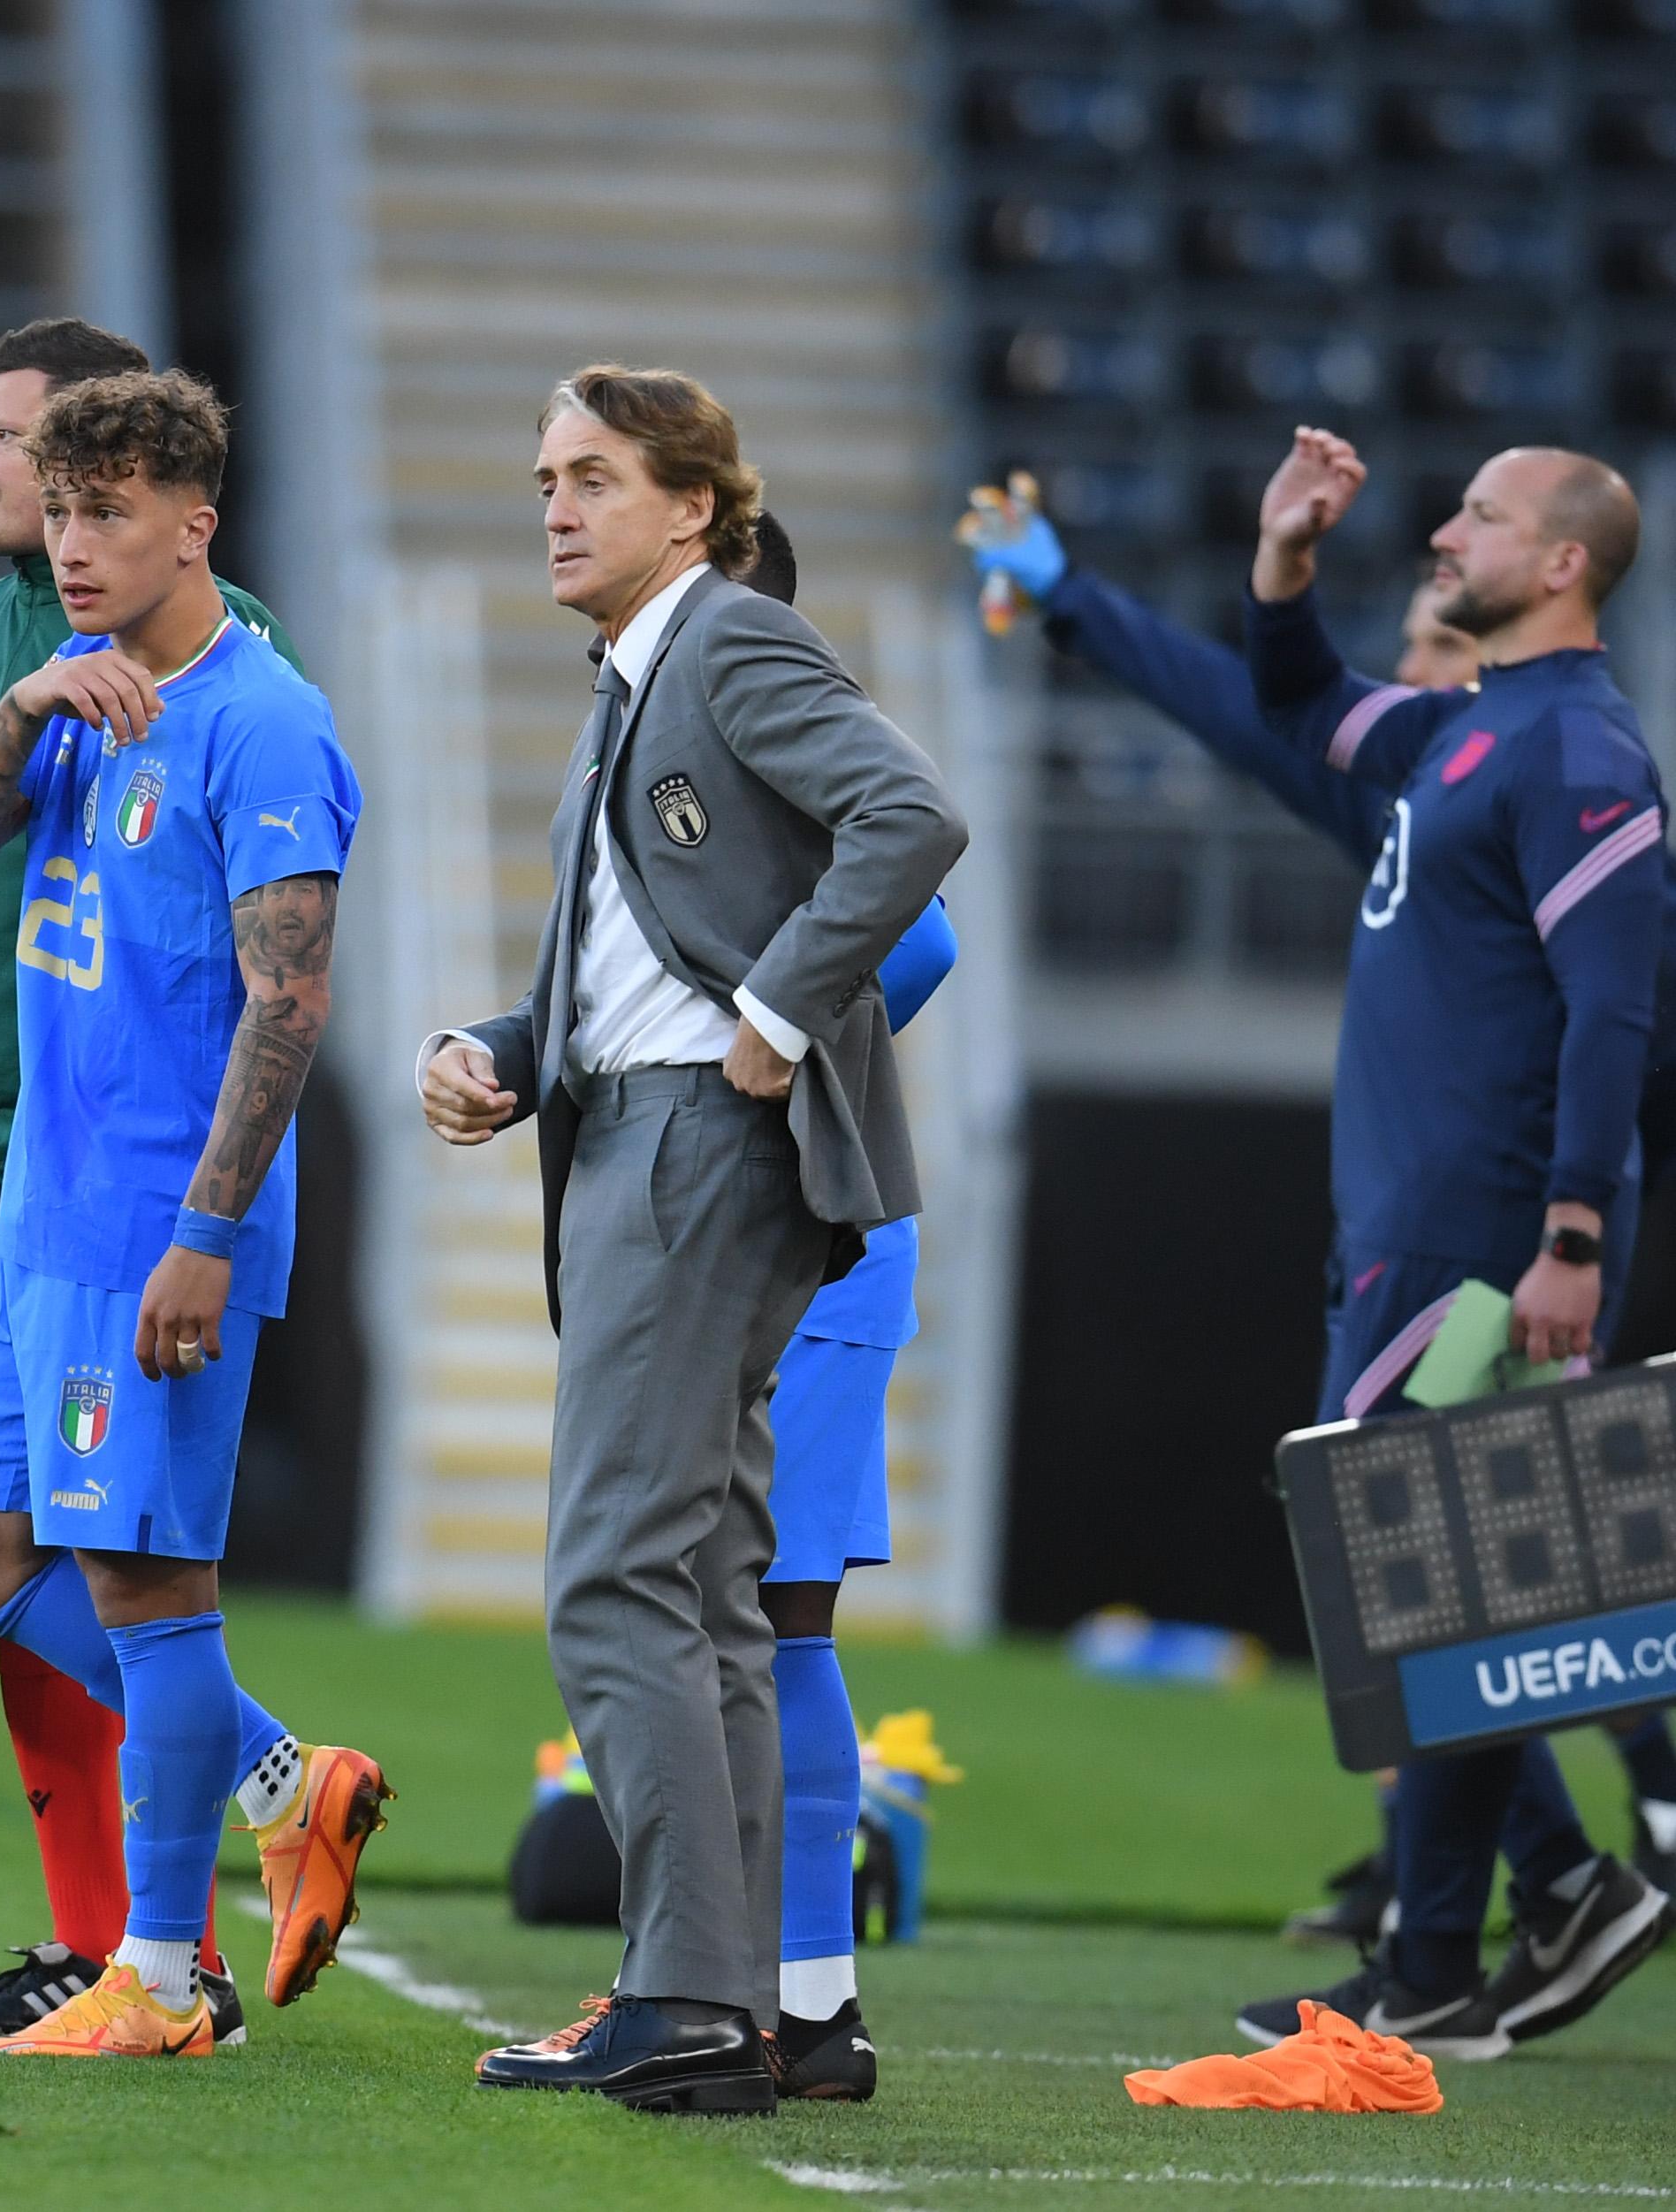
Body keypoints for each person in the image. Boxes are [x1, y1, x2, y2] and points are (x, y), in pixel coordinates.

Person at [963, 516, 1676, 1949]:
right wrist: (1075, 601)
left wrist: (1587, 1218)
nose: (1408, 681)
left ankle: (1572, 1848)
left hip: (1513, 1225)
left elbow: (1659, 1041)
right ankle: (1497, 1867)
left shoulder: (1575, 792)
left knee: (1428, 1556)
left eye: (1438, 654)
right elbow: (1241, 704)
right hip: (1446, 1211)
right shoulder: (1410, 785)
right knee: (1444, 1560)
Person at [424, 367, 964, 2114]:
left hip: (694, 1149)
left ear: (692, 508)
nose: (557, 506)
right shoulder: (636, 677)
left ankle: (683, 1992)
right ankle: (731, 2005)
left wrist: (787, 1014)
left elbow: (914, 821)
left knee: (613, 1573)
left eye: (592, 476)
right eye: (544, 479)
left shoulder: (725, 644)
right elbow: (634, 954)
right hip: (645, 1132)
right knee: (709, 1584)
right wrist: (506, 1055)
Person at [0, 369, 385, 2060]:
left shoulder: (262, 724)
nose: (76, 542)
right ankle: (279, 1775)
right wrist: (24, 702)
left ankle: (163, 1980)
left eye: (110, 513)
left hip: (150, 1229)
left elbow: (291, 1002)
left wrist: (203, 1231)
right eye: (62, 510)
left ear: (199, 525)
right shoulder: (79, 700)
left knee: (142, 1582)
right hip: (41, 1212)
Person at [1226, 429, 1676, 2059]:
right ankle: (1541, 1893)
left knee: (1417, 1583)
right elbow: (1296, 704)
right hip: (1407, 1222)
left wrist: (1569, 1230)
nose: (1442, 533)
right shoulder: (1469, 728)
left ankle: (1442, 1956)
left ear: (1559, 562)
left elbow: (1610, 1005)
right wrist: (1284, 553)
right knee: (1419, 1586)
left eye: (1478, 516)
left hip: (1484, 1230)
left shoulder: (1580, 750)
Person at [746, 515, 959, 2103]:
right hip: (721, 1243)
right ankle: (739, 1974)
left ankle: (812, 2000)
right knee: (704, 1610)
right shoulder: (658, 709)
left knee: (774, 1610)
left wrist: (786, 1058)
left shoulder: (786, 705)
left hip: (810, 1239)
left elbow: (928, 928)